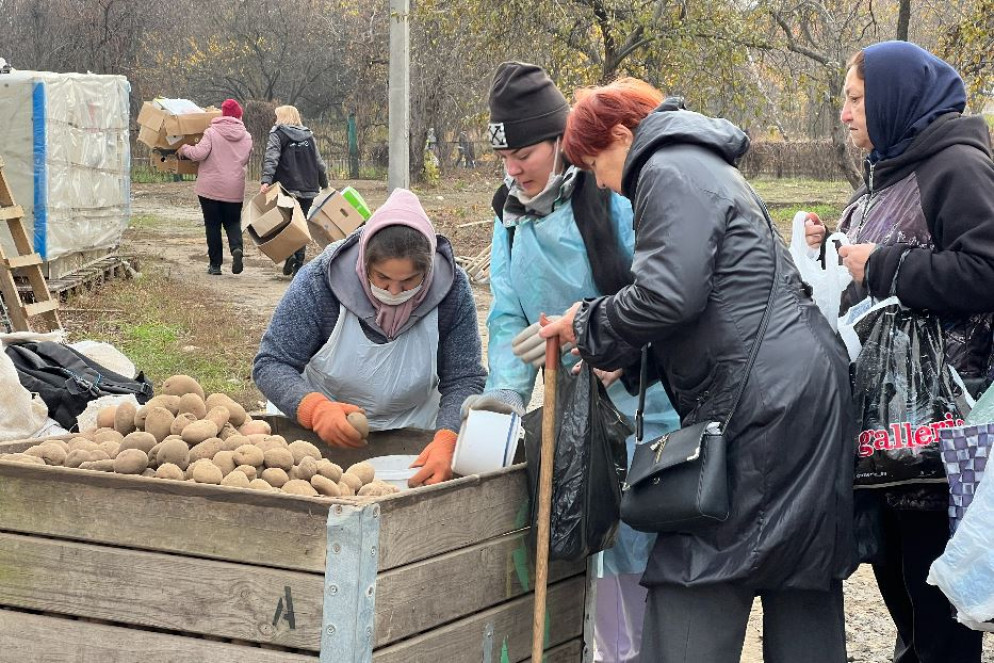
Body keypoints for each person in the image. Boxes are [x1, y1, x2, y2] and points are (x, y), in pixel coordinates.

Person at [540, 77, 856, 663]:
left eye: (595, 166)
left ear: (620, 135)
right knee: (802, 576)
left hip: (764, 403)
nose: (603, 183)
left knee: (696, 569)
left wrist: (588, 325)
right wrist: (629, 362)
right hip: (803, 389)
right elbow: (717, 302)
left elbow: (668, 295)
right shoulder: (702, 165)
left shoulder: (665, 169)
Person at [468, 61, 680, 662]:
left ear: (559, 141)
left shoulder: (608, 194)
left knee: (648, 531)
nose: (514, 169)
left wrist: (623, 346)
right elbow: (508, 313)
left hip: (647, 401)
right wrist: (506, 396)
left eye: (526, 154)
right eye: (503, 157)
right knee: (600, 534)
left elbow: (659, 286)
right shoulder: (507, 216)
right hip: (575, 407)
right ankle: (614, 653)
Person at [805, 41, 994, 663]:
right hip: (893, 430)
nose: (846, 113)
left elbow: (984, 271)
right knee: (902, 585)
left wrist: (881, 263)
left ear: (893, 99)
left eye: (856, 99)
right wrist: (835, 236)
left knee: (934, 596)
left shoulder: (956, 165)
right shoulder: (894, 164)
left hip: (942, 432)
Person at [252, 188, 486, 486]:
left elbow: (464, 376)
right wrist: (314, 409)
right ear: (364, 264)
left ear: (427, 272)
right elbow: (271, 364)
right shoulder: (320, 282)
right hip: (326, 426)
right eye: (382, 278)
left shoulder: (450, 290)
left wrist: (448, 435)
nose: (394, 292)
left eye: (409, 281)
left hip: (414, 429)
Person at [178, 98, 252, 276]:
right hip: (234, 188)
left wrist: (184, 148)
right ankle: (236, 248)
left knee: (212, 225)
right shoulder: (247, 136)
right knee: (233, 222)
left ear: (223, 113)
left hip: (210, 187)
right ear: (239, 115)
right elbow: (246, 159)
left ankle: (215, 265)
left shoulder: (212, 132)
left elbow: (199, 153)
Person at [260, 105, 329, 277]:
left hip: (286, 187)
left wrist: (266, 181)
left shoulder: (278, 134)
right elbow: (319, 163)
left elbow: (271, 158)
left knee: (284, 223)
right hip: (308, 188)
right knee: (300, 225)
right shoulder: (308, 135)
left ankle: (289, 254)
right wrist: (324, 182)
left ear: (281, 117)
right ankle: (299, 263)